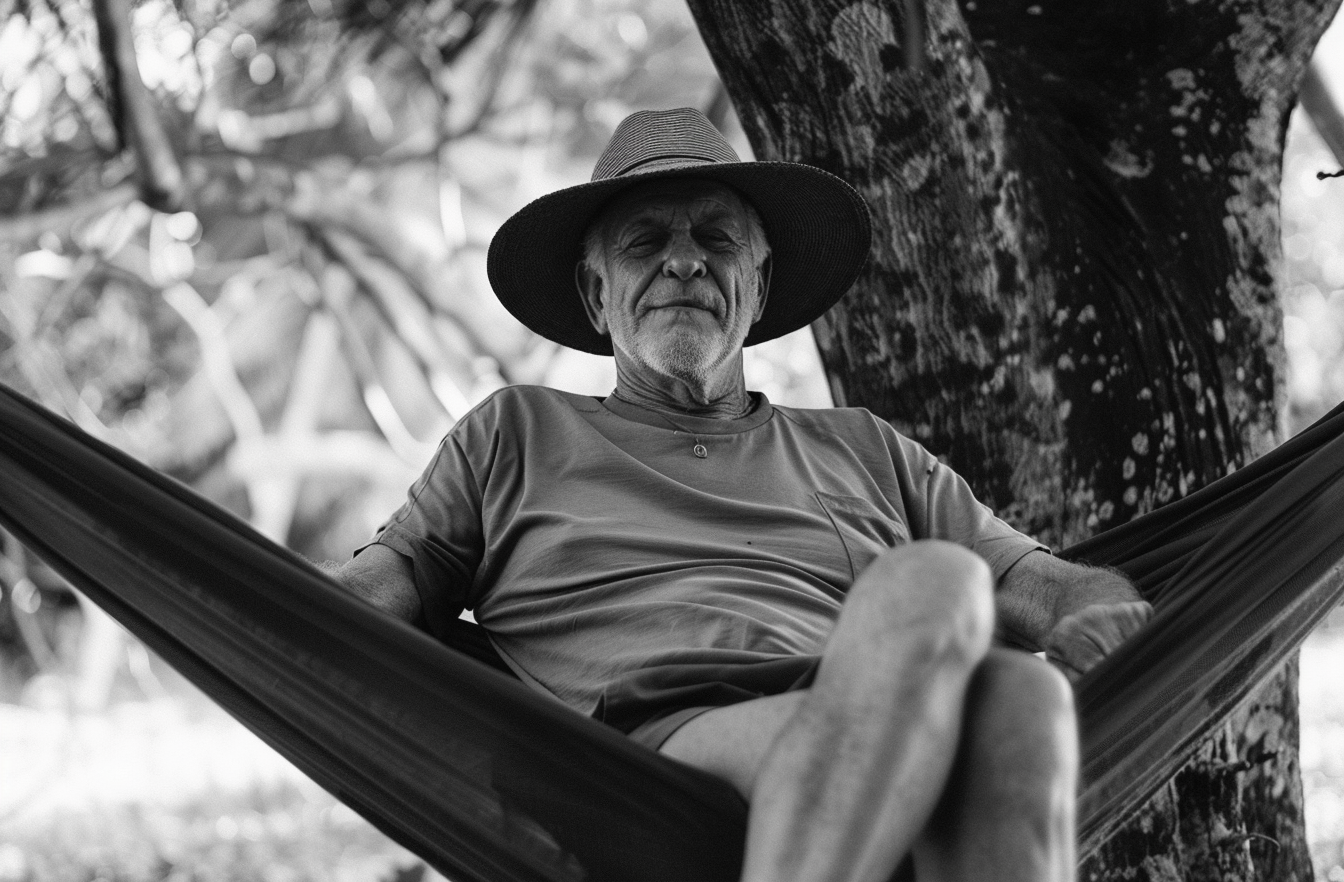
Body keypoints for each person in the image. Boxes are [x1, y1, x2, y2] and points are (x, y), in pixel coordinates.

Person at [330, 107, 1153, 882]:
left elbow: (1035, 581)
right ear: (595, 294)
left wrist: (1099, 609)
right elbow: (376, 588)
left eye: (716, 238)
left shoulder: (862, 446)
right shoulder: (515, 434)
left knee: (1026, 698)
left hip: (884, 716)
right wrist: (273, 616)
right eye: (645, 240)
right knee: (938, 579)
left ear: (757, 286)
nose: (684, 260)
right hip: (642, 767)